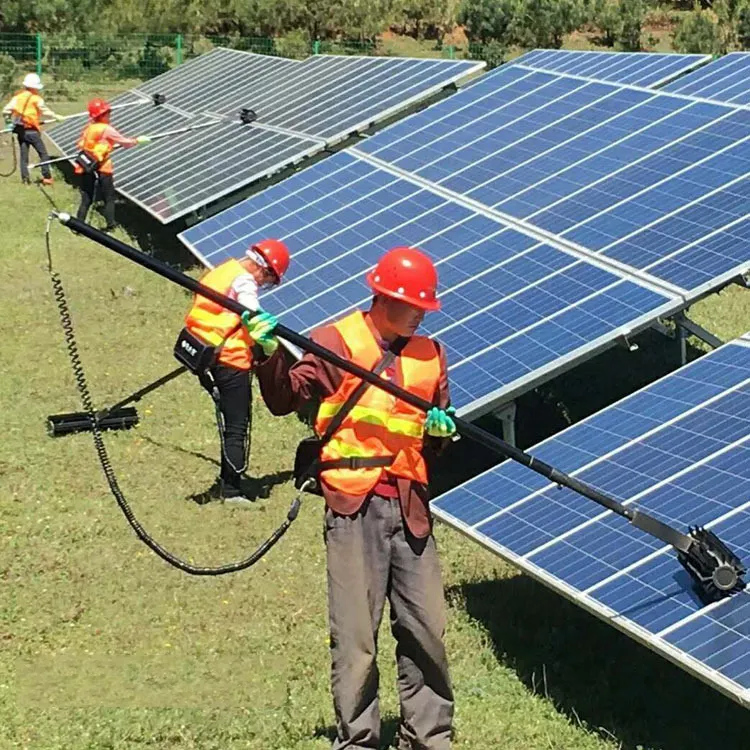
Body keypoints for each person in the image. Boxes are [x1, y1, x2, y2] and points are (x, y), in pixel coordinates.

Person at [247, 247, 456, 750]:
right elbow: (283, 400)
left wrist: (440, 433)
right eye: (414, 305)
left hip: (411, 509)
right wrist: (268, 354)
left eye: (425, 307)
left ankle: (429, 739)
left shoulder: (432, 354)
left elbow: (433, 434)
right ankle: (358, 740)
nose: (421, 314)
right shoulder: (335, 341)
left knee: (427, 630)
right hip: (352, 505)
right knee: (357, 640)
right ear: (384, 297)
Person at [182, 239, 291, 505]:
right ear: (262, 269)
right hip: (231, 359)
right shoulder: (245, 281)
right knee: (237, 425)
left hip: (203, 352)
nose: (263, 284)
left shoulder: (223, 270)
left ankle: (229, 480)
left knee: (229, 420)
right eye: (267, 280)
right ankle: (231, 490)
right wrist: (264, 334)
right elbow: (251, 311)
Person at [74, 98, 150, 231]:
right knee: (109, 197)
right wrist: (138, 140)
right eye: (108, 113)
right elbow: (125, 143)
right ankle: (110, 225)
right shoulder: (106, 129)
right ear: (102, 115)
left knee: (86, 197)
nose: (110, 115)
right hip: (103, 167)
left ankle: (78, 225)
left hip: (86, 165)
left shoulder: (89, 128)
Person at [2, 73, 64, 185]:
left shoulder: (17, 97)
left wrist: (8, 122)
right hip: (32, 131)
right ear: (35, 87)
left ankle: (25, 179)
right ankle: (47, 177)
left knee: (23, 156)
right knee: (43, 154)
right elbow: (45, 111)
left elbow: (6, 110)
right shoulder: (36, 99)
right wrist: (56, 116)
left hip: (20, 130)